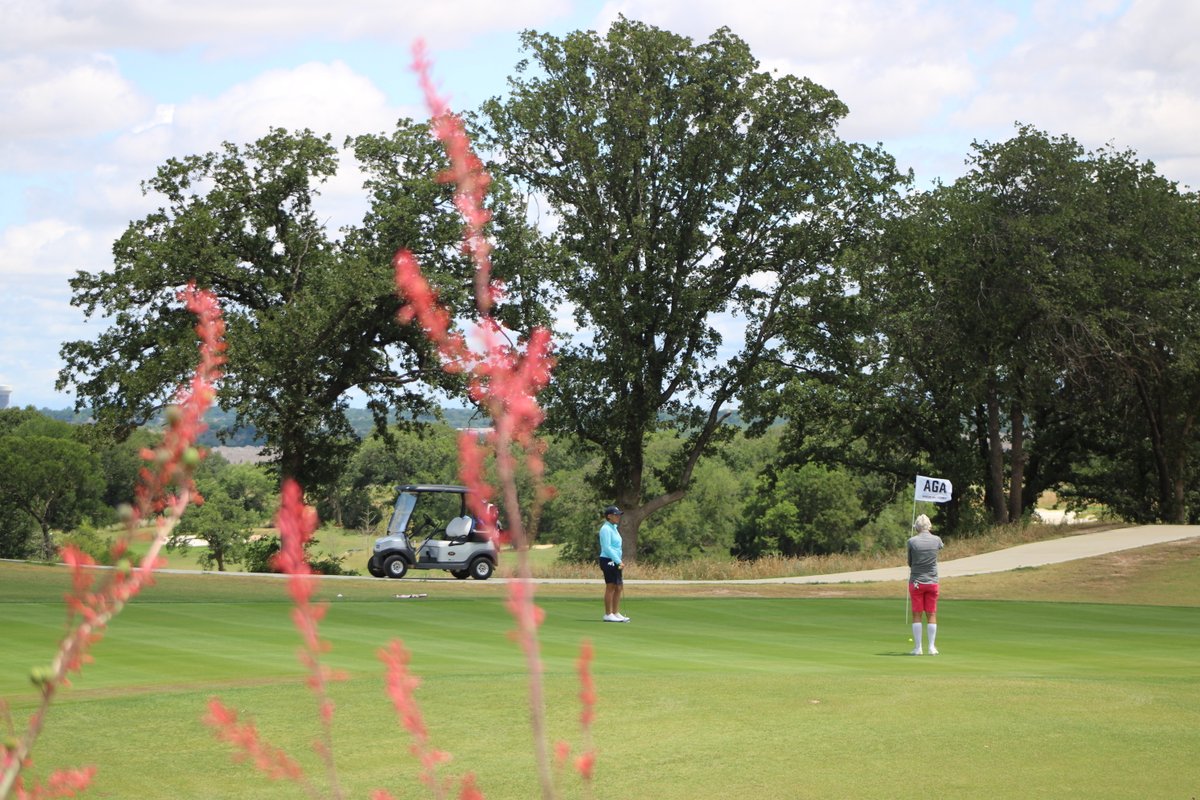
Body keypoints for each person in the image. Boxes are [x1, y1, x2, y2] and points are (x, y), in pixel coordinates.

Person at [907, 513, 944, 655]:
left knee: (917, 614)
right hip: (932, 581)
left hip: (916, 581)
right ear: (929, 526)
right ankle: (931, 647)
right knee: (931, 614)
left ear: (917, 526)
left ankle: (918, 648)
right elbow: (940, 547)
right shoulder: (937, 540)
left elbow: (909, 562)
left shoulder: (912, 541)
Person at [598, 505, 629, 622]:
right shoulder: (605, 529)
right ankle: (608, 614)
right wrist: (618, 561)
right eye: (616, 515)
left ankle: (615, 612)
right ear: (609, 516)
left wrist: (618, 560)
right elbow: (607, 547)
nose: (618, 516)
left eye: (619, 514)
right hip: (608, 560)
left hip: (616, 560)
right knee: (611, 586)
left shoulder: (614, 527)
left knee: (619, 587)